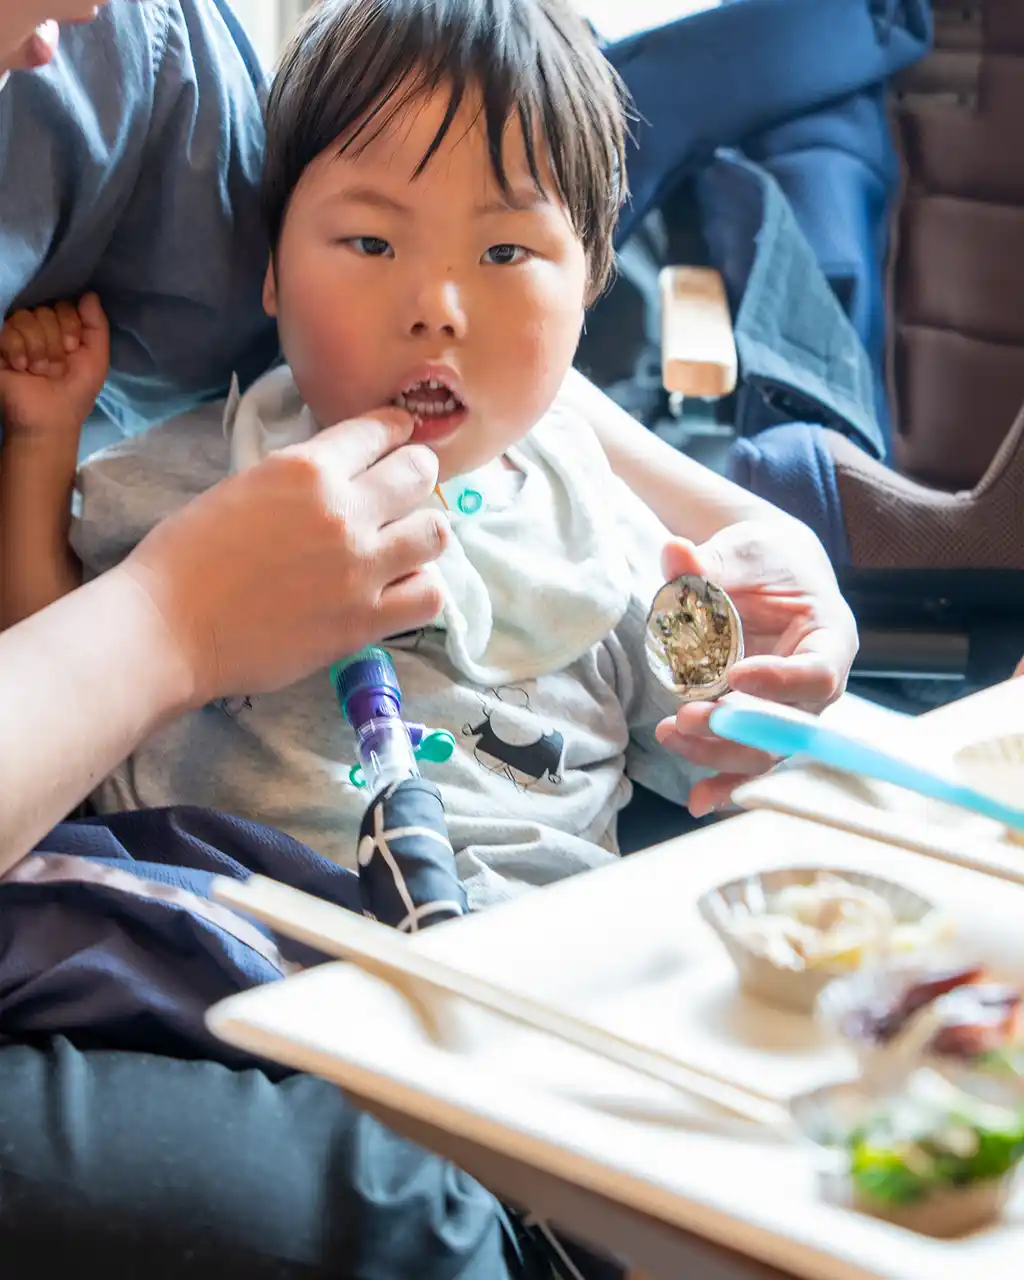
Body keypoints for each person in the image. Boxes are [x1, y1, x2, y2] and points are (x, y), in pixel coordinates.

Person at [0, 0, 855, 908]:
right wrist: (42, 445)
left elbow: (720, 751)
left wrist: (757, 711)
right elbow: (50, 654)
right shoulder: (199, 478)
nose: (437, 308)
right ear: (271, 272)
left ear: (591, 286)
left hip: (525, 951)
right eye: (372, 242)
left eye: (504, 251)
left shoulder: (605, 524)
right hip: (216, 939)